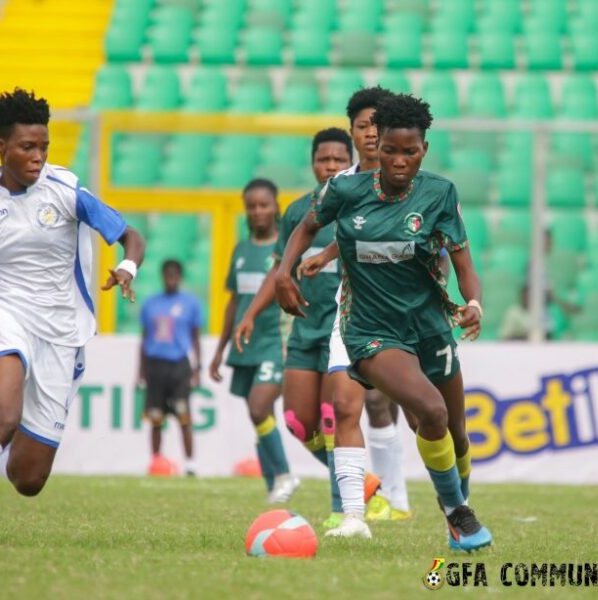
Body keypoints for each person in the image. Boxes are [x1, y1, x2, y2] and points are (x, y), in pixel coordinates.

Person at [0, 89, 145, 545]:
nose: (38, 157)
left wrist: (127, 267)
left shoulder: (67, 190)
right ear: (0, 145)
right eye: (27, 147)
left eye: (44, 147)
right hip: (6, 317)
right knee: (5, 420)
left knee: (28, 480)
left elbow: (131, 236)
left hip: (62, 333)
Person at [275, 92, 492, 550]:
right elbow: (306, 226)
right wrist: (283, 273)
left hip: (431, 327)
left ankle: (457, 517)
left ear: (423, 151)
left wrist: (473, 302)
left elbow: (464, 262)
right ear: (376, 146)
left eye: (408, 152)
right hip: (371, 332)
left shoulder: (440, 193)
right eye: (389, 150)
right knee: (427, 411)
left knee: (456, 436)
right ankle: (456, 513)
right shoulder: (346, 190)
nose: (397, 160)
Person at [233, 128, 379, 528]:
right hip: (303, 328)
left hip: (344, 329)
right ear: (313, 162)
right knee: (299, 422)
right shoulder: (300, 212)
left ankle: (341, 508)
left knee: (335, 418)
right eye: (322, 159)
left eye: (337, 159)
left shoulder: (360, 205)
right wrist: (248, 314)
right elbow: (279, 269)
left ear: (347, 160)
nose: (329, 166)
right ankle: (359, 480)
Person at [210, 178, 299, 503]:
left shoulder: (286, 251)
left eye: (264, 205)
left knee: (260, 407)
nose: (258, 211)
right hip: (244, 345)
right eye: (252, 206)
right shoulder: (241, 250)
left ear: (276, 207)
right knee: (258, 414)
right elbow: (234, 302)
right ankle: (274, 485)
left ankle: (286, 475)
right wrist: (220, 350)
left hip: (276, 343)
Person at [138, 259, 203, 476]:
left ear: (180, 276)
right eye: (167, 274)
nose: (171, 278)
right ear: (163, 276)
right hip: (155, 366)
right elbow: (144, 339)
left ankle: (190, 465)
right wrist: (141, 371)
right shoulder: (151, 304)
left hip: (179, 366)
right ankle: (156, 461)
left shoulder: (190, 304)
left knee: (184, 416)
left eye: (175, 274)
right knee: (156, 418)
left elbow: (195, 338)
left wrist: (198, 367)